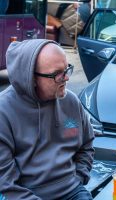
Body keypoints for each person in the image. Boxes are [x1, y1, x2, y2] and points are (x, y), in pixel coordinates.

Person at [0, 39, 95, 199]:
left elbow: (87, 144)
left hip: (72, 190)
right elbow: (6, 183)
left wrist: (79, 177)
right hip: (26, 195)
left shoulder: (70, 101)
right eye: (57, 74)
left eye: (67, 69)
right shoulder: (4, 111)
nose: (66, 78)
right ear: (31, 78)